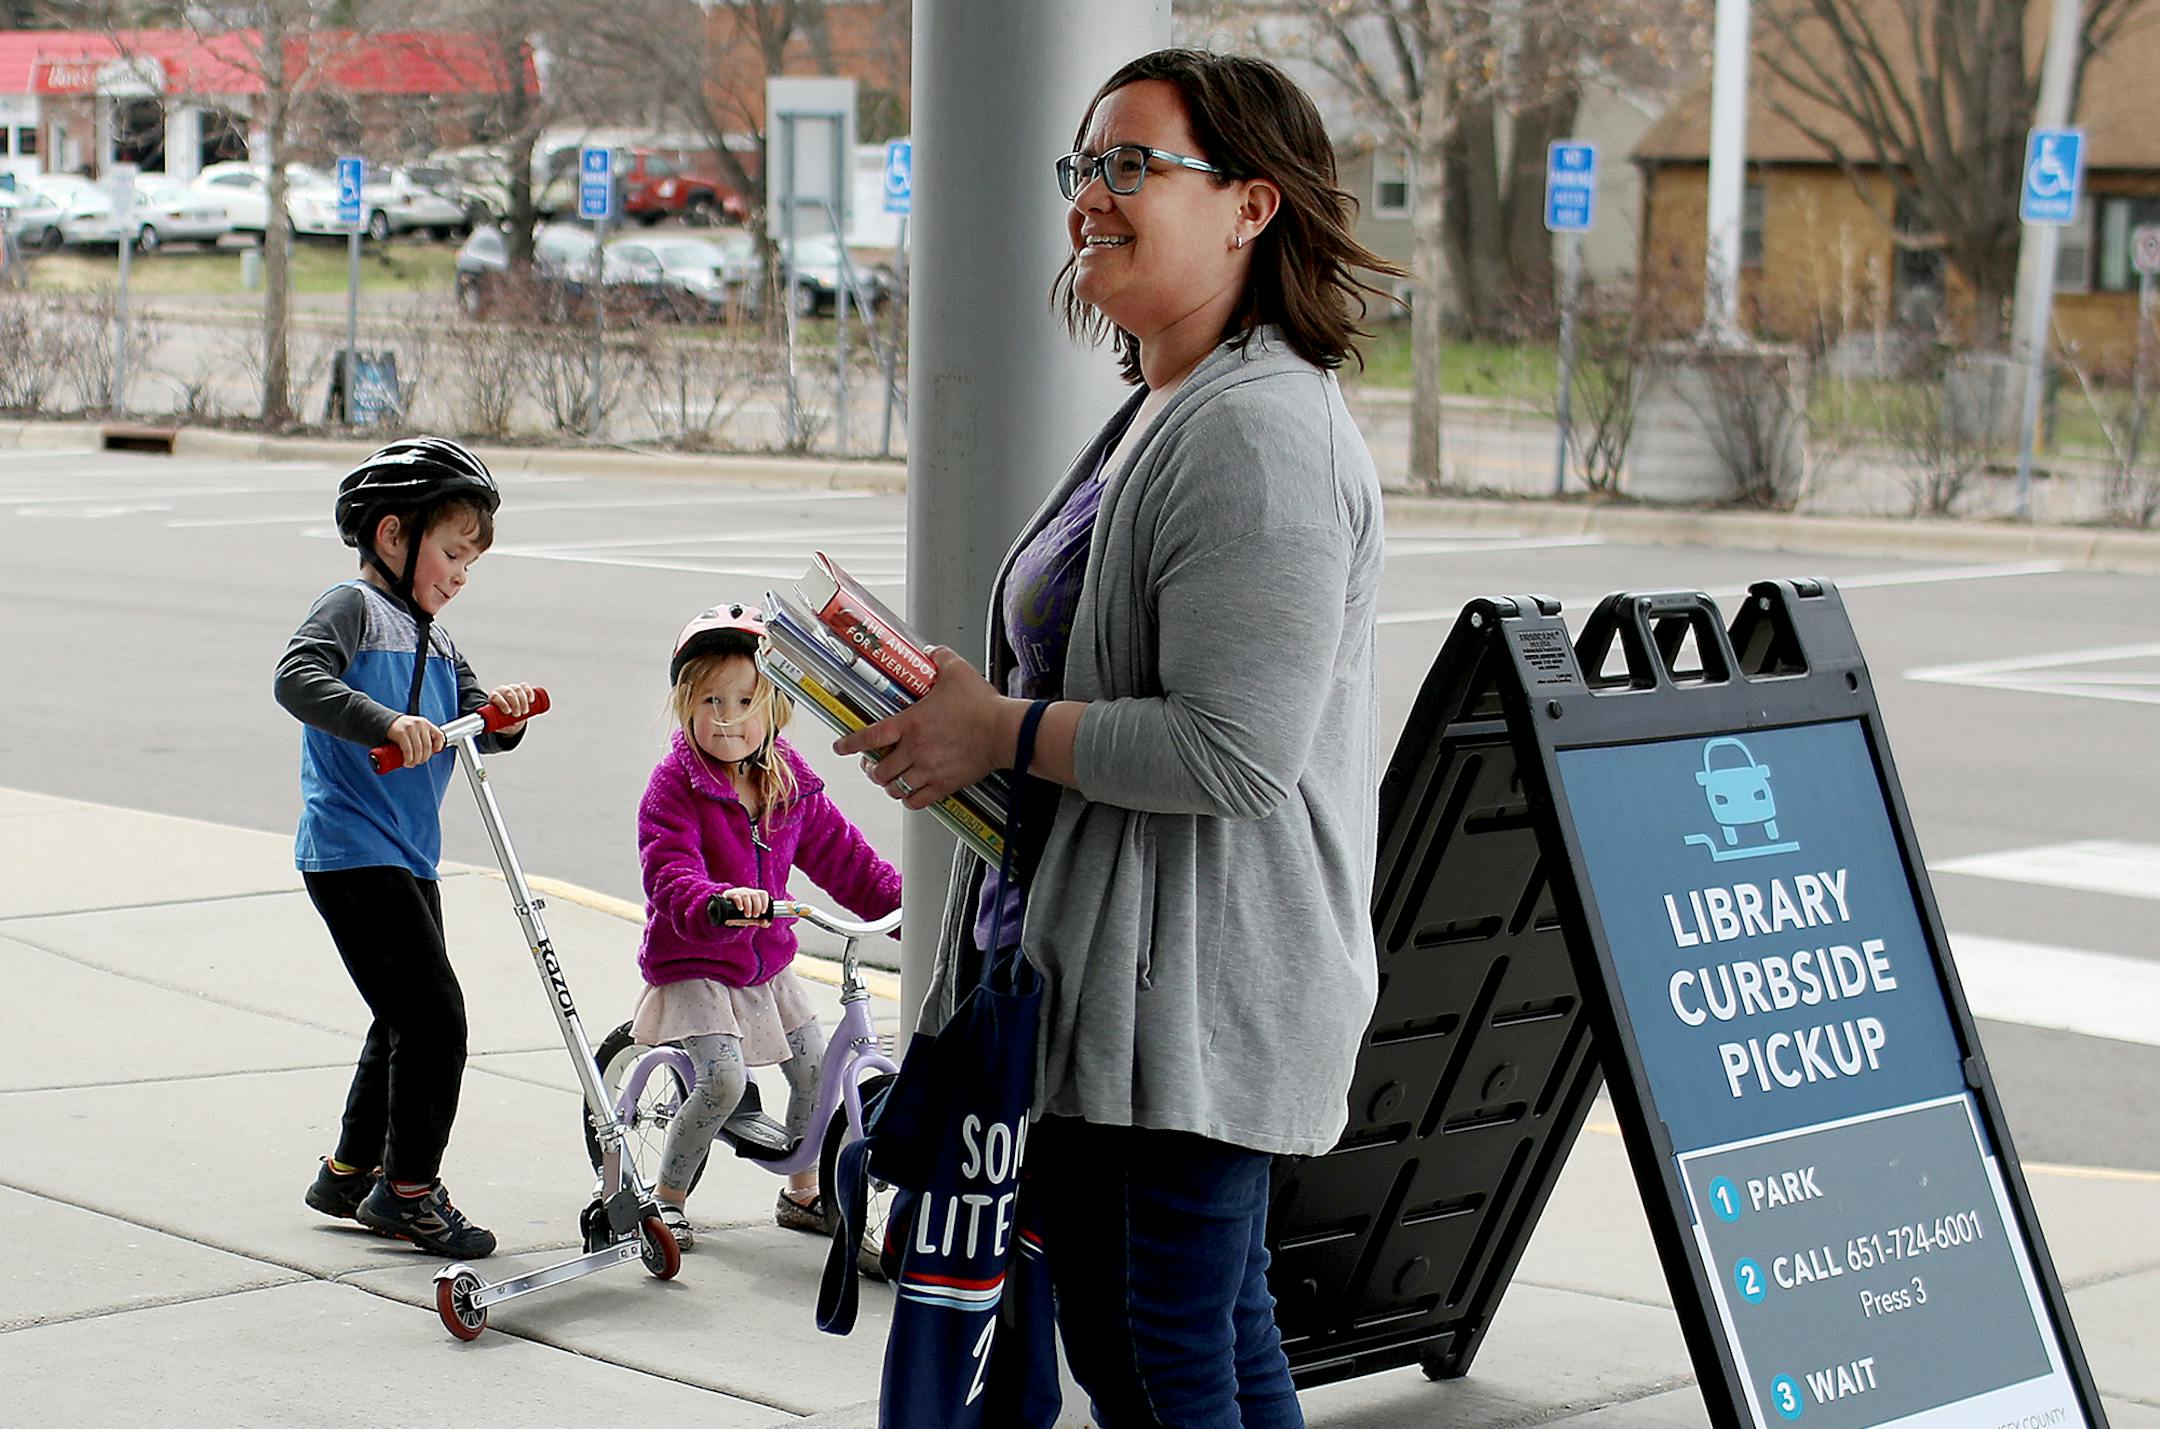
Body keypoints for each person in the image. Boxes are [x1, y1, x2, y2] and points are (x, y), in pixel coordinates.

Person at [834, 48, 1400, 1428]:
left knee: (1153, 1354)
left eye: (1132, 164)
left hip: (1193, 1012)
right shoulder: (1171, 401)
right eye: (1084, 164)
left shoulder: (1258, 434)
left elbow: (1232, 750)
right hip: (1136, 995)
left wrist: (998, 728)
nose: (1092, 192)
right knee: (1203, 1332)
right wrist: (965, 711)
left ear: (1252, 207)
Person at [274, 437, 536, 1258]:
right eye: (453, 552)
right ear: (392, 537)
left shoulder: (439, 637)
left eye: (471, 561)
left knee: (401, 1015)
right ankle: (409, 1191)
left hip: (407, 853)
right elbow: (296, 677)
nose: (461, 573)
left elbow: (473, 719)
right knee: (436, 1019)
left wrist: (505, 714)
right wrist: (385, 721)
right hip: (351, 850)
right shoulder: (350, 608)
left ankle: (351, 1171)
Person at [632, 602, 902, 1249]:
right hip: (698, 958)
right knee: (723, 1079)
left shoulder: (787, 780)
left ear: (774, 706)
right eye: (711, 702)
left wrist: (905, 913)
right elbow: (668, 871)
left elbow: (846, 860)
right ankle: (665, 1197)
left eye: (746, 701)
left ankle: (801, 1192)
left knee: (819, 1073)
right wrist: (716, 902)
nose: (728, 719)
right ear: (684, 704)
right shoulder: (675, 784)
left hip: (766, 964)